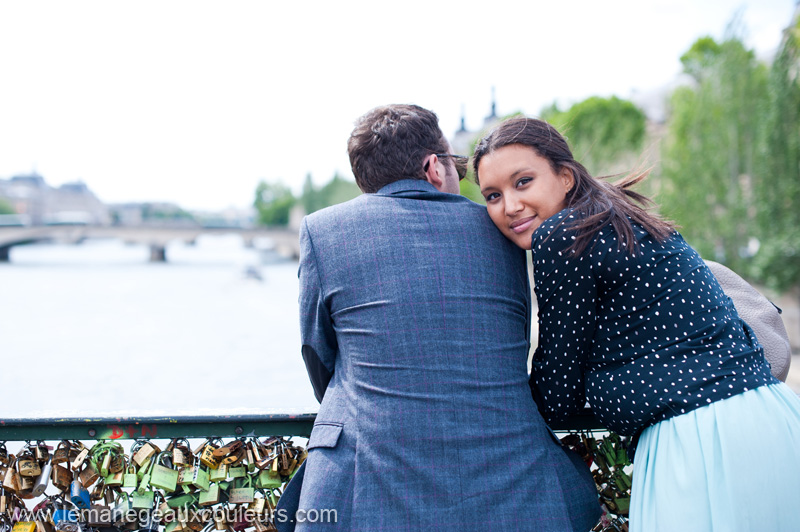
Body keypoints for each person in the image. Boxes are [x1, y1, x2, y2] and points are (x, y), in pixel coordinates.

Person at [275, 105, 600, 531]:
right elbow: (514, 342)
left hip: (368, 488)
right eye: (457, 165)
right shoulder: (499, 229)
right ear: (433, 167)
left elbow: (317, 353)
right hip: (513, 487)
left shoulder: (323, 230)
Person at [472, 116, 800, 531]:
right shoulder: (626, 220)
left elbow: (556, 388)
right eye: (492, 195)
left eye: (523, 182)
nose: (510, 206)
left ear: (566, 177)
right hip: (773, 419)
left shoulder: (560, 234)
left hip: (699, 441)